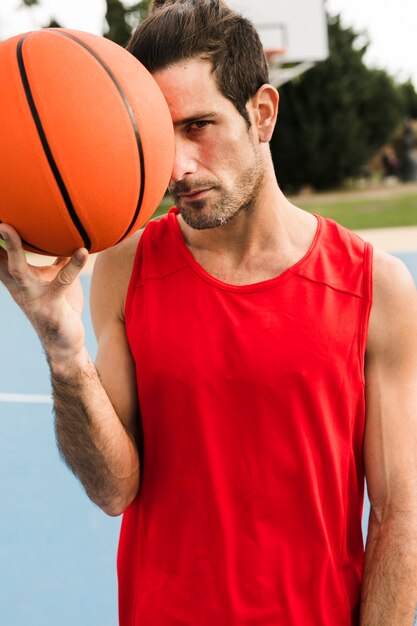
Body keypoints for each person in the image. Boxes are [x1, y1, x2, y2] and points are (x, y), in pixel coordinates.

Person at [1, 0, 417, 623]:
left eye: (198, 126)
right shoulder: (128, 264)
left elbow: (398, 517)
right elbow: (114, 489)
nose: (176, 166)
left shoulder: (374, 287)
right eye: (158, 134)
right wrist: (64, 350)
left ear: (263, 114)